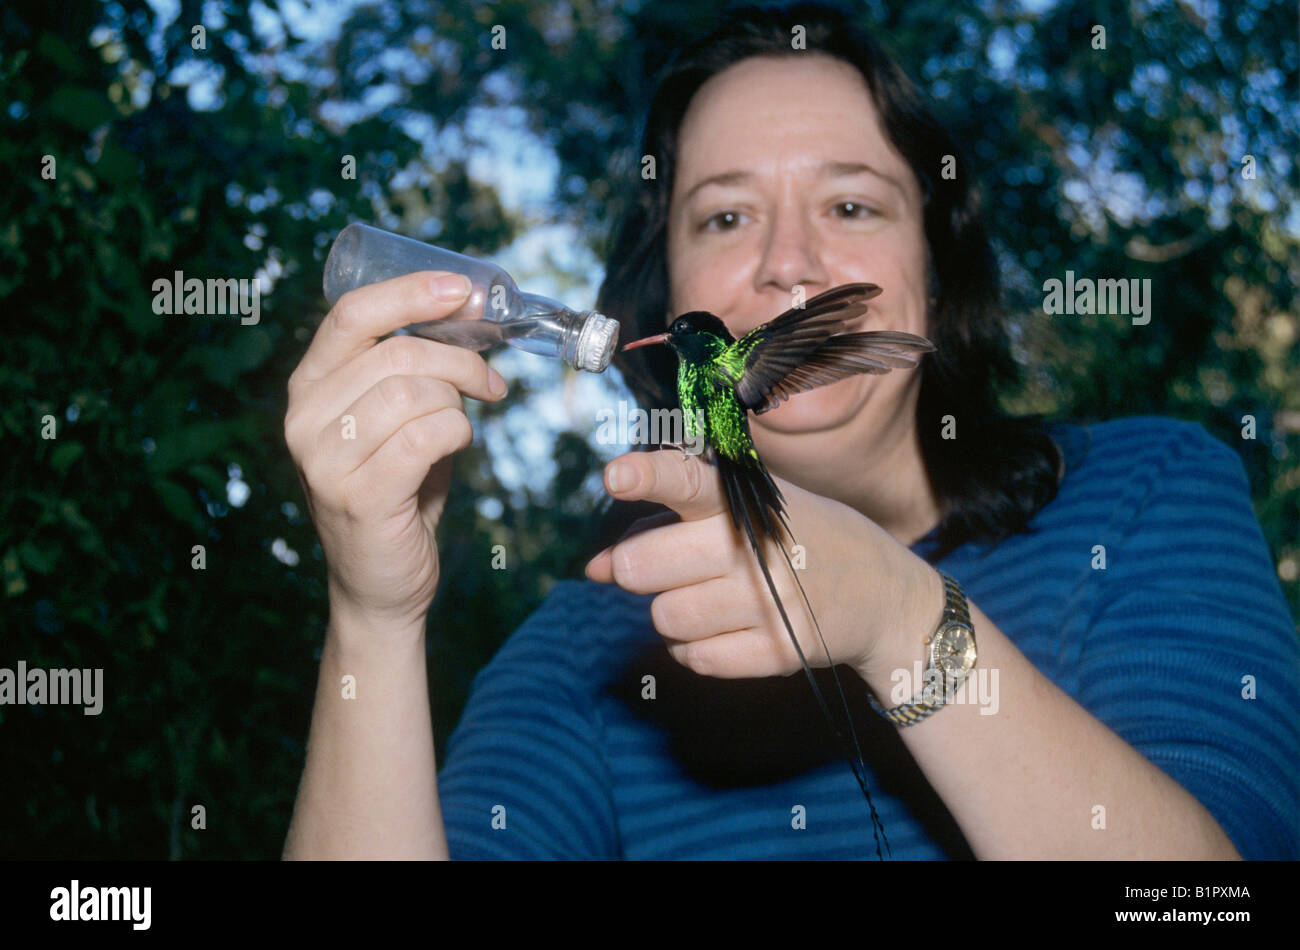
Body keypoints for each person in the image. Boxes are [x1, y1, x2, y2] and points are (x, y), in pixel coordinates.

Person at [282, 1, 1299, 859]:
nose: (790, 263)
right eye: (725, 218)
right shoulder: (587, 647)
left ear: (937, 286)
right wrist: (373, 614)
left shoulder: (1144, 491)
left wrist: (903, 621)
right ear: (667, 290)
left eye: (852, 204)